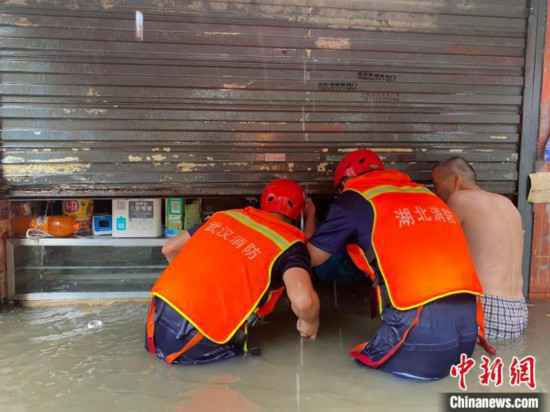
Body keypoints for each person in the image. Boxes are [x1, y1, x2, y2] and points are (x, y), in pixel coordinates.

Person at [306, 149, 487, 381]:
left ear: (345, 182)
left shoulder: (353, 200)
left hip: (422, 339)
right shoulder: (428, 196)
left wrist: (310, 217)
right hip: (468, 337)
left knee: (356, 374)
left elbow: (312, 258)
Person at [145, 179, 320, 365]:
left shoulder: (225, 217)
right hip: (197, 344)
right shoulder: (289, 246)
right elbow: (303, 302)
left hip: (155, 325)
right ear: (299, 212)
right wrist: (310, 323)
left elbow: (170, 249)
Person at [432, 157, 528, 340]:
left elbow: (436, 248)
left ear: (455, 180)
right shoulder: (506, 203)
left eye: (437, 184)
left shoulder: (459, 199)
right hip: (518, 311)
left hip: (486, 308)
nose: (436, 192)